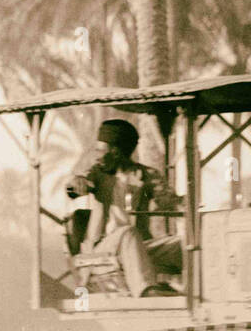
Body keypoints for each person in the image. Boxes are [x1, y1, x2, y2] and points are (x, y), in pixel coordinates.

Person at [65, 118, 181, 296]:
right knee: (128, 232)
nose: (97, 155)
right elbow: (76, 186)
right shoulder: (97, 174)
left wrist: (183, 202)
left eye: (100, 150)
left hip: (138, 247)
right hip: (103, 249)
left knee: (180, 243)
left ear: (116, 152)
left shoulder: (147, 175)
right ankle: (146, 290)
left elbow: (169, 202)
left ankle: (198, 291)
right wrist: (76, 183)